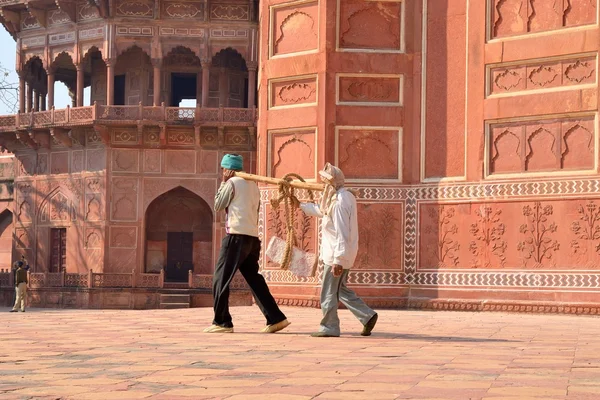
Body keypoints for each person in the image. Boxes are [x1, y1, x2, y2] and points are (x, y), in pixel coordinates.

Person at [203, 154, 291, 334]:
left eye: (223, 170)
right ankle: (275, 318)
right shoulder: (253, 185)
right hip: (252, 238)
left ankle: (222, 322)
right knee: (254, 279)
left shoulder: (232, 183)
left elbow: (218, 205)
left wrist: (223, 182)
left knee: (220, 279)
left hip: (236, 236)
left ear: (227, 169)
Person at [299, 163, 378, 337]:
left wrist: (338, 260)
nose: (324, 184)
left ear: (332, 182)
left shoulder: (341, 201)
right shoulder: (339, 197)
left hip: (336, 254)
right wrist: (300, 205)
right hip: (342, 252)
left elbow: (342, 231)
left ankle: (329, 327)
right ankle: (367, 316)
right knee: (340, 289)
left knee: (328, 290)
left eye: (326, 181)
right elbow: (322, 211)